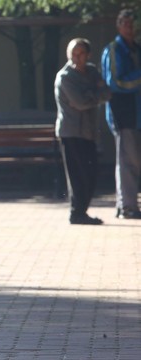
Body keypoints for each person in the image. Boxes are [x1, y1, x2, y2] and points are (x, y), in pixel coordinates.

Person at [54, 38, 112, 225]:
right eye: (73, 53)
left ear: (88, 55)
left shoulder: (92, 71)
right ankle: (76, 213)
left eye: (80, 53)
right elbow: (79, 102)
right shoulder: (65, 77)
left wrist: (91, 95)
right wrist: (94, 94)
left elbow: (107, 93)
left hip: (88, 132)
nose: (76, 58)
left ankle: (82, 212)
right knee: (78, 175)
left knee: (91, 173)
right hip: (71, 132)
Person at [101, 8, 141, 220]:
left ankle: (127, 204)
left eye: (132, 23)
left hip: (137, 115)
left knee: (135, 162)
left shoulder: (137, 49)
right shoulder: (114, 50)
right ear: (118, 26)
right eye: (125, 23)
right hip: (124, 114)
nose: (129, 27)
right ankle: (127, 207)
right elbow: (115, 83)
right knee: (128, 162)